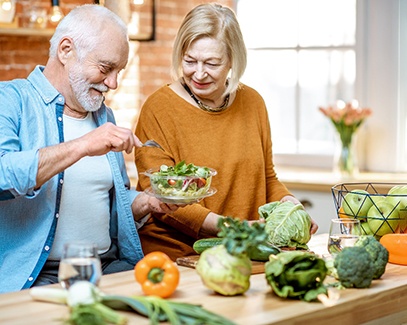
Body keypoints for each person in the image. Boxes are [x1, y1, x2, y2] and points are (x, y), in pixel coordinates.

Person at [0, 4, 178, 294]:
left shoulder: (103, 117)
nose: (113, 83)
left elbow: (109, 200)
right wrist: (83, 145)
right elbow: (2, 175)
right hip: (37, 275)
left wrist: (146, 203)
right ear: (66, 50)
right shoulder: (10, 100)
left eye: (118, 71)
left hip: (107, 266)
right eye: (106, 68)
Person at [134, 3, 318, 261]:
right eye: (189, 61)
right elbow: (159, 196)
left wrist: (291, 207)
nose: (198, 73)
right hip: (178, 256)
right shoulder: (158, 108)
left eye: (212, 63)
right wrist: (231, 228)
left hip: (243, 250)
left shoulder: (253, 102)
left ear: (233, 59)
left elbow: (267, 178)